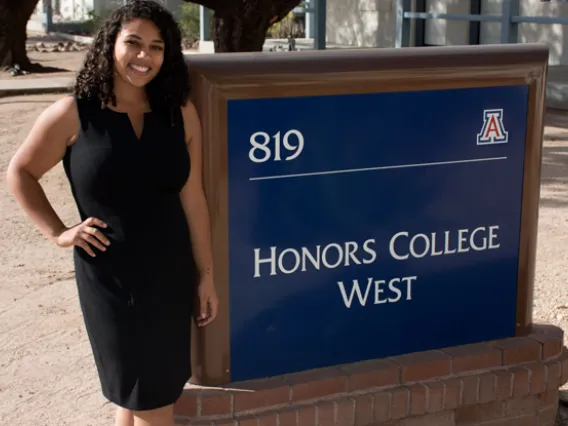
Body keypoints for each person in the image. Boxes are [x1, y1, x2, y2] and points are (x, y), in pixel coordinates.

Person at [6, 1, 219, 425]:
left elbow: (192, 197)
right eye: (134, 43)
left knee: (143, 396)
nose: (145, 56)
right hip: (110, 276)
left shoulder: (180, 114)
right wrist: (59, 232)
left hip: (169, 275)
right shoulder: (74, 114)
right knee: (145, 395)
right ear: (109, 45)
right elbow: (21, 172)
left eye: (156, 47)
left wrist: (207, 275)